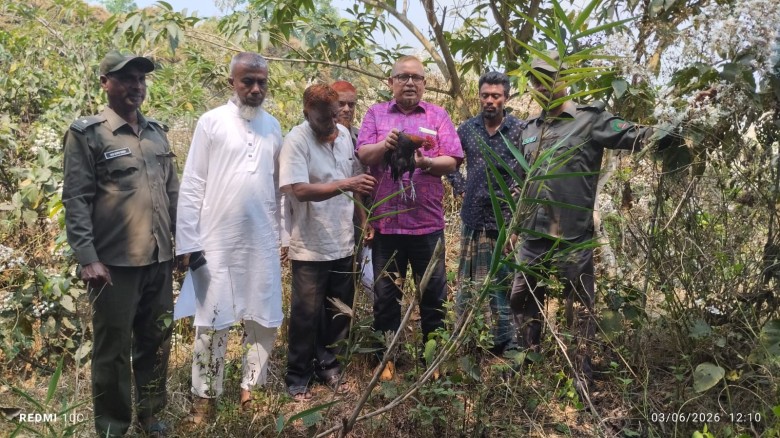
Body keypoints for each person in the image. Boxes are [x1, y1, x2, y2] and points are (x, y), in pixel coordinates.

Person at [511, 50, 671, 396]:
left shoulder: (590, 120)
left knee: (579, 309)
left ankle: (580, 377)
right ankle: (527, 367)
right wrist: (514, 224)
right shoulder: (528, 129)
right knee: (521, 300)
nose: (543, 85)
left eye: (550, 78)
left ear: (566, 80)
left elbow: (636, 135)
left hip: (573, 235)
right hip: (532, 235)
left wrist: (680, 124)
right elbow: (521, 181)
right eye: (536, 80)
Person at [62, 50, 178, 437]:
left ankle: (151, 415)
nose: (137, 85)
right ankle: (112, 425)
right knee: (112, 352)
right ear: (105, 83)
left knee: (156, 340)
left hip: (159, 259)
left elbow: (173, 194)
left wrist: (185, 245)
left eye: (142, 78)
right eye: (127, 78)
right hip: (113, 266)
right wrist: (87, 257)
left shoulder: (157, 133)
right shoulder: (88, 134)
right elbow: (76, 199)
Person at [175, 52, 284, 421]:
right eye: (247, 81)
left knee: (263, 318)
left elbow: (277, 186)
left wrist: (281, 237)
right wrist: (188, 242)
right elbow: (192, 184)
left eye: (261, 83)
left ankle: (250, 391)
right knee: (212, 320)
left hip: (262, 240)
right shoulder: (211, 123)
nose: (255, 89)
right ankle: (205, 399)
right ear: (231, 83)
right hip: (216, 241)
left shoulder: (274, 126)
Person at [356, 55, 463, 380]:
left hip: (428, 227)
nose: (410, 82)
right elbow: (363, 154)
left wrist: (426, 163)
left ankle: (433, 359)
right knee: (386, 297)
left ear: (425, 83)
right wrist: (383, 146)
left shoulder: (438, 115)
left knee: (433, 295)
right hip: (387, 226)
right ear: (391, 82)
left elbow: (454, 160)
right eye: (402, 77)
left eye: (416, 77)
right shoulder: (376, 114)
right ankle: (386, 358)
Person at [280, 84, 376, 401]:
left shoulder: (346, 135)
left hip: (342, 241)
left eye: (334, 117)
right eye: (322, 119)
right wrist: (345, 183)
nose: (330, 124)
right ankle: (298, 376)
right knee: (306, 314)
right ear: (307, 112)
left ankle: (328, 365)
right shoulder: (296, 141)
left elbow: (357, 185)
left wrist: (363, 221)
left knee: (339, 310)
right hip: (310, 244)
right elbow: (299, 189)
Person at [447, 71, 524, 356]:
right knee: (470, 283)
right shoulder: (467, 129)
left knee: (502, 284)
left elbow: (528, 174)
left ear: (506, 98)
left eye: (496, 96)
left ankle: (506, 343)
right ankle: (471, 337)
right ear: (479, 97)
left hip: (504, 221)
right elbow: (451, 162)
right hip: (473, 218)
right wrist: (461, 187)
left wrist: (517, 219)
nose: (490, 101)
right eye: (485, 95)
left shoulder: (519, 130)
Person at [331, 80, 359, 146]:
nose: (347, 109)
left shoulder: (361, 138)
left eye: (351, 104)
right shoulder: (315, 136)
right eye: (340, 104)